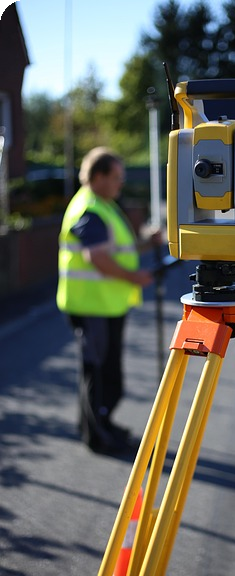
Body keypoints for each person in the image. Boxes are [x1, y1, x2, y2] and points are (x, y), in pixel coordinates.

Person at [56, 147, 160, 454]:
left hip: (103, 305)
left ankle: (98, 426)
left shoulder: (103, 205)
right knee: (100, 373)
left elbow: (116, 250)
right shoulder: (90, 209)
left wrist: (146, 243)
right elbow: (97, 257)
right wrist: (133, 277)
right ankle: (98, 436)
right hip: (92, 306)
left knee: (104, 371)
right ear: (98, 176)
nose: (121, 183)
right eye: (116, 177)